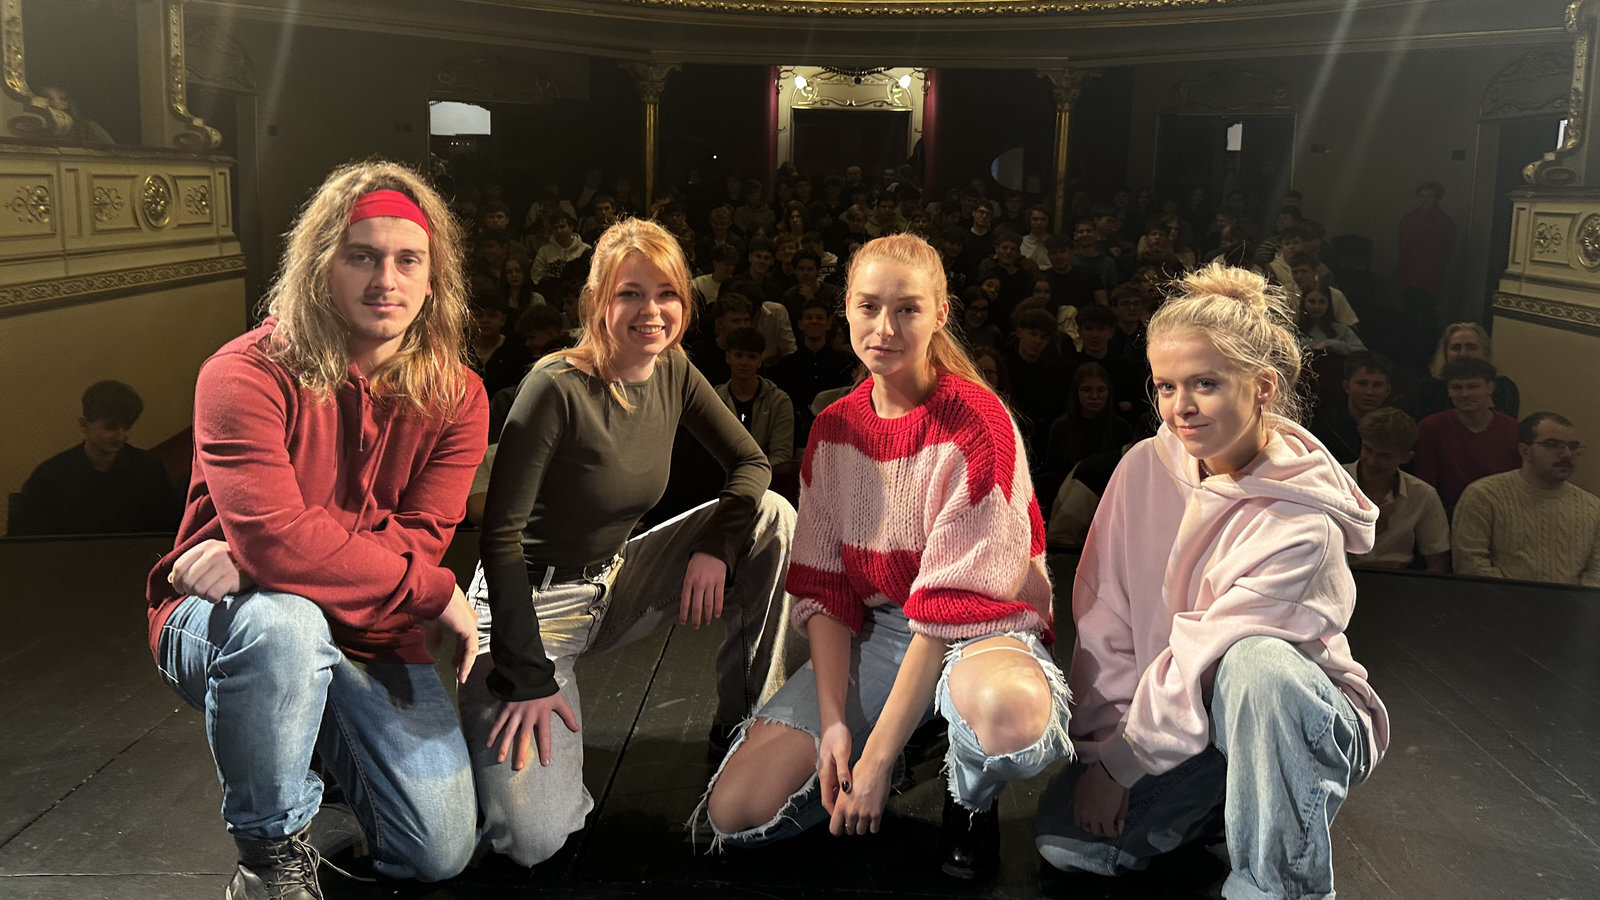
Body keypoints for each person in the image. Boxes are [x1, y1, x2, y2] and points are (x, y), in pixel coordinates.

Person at [145, 162, 487, 898]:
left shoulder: (458, 395)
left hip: (369, 631)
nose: (385, 280)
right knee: (286, 627)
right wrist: (431, 591)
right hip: (224, 621)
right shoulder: (243, 373)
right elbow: (286, 541)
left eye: (408, 260)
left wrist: (264, 557)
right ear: (320, 266)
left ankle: (316, 736)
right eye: (361, 256)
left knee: (439, 851)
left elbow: (413, 542)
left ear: (434, 278)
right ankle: (267, 863)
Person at [700, 233, 1070, 880]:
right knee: (738, 813)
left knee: (1005, 717)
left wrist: (870, 763)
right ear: (846, 308)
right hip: (887, 627)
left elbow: (949, 610)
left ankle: (970, 796)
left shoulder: (979, 424)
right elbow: (825, 589)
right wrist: (837, 726)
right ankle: (913, 737)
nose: (885, 328)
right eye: (869, 307)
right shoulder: (833, 429)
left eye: (908, 309)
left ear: (940, 314)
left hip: (982, 626)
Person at [1035, 263, 1387, 900]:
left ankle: (1277, 882)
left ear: (1262, 387)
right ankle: (1234, 808)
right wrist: (1107, 754)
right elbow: (1105, 618)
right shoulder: (1142, 467)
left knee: (1255, 662)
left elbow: (1205, 655)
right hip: (1181, 719)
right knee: (1069, 845)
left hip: (1294, 717)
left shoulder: (1304, 521)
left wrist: (1125, 767)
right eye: (1166, 386)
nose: (1182, 407)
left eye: (1206, 384)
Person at [464, 217, 799, 868]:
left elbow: (751, 463)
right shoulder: (554, 386)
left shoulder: (672, 367)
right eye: (631, 293)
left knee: (770, 517)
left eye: (667, 293)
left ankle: (745, 729)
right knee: (534, 840)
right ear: (596, 301)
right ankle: (473, 727)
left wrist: (717, 546)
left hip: (614, 580)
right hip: (529, 611)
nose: (653, 311)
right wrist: (526, 674)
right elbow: (499, 537)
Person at [10, 379, 179, 536]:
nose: (120, 436)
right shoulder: (51, 476)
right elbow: (27, 538)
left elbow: (168, 526)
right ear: (84, 425)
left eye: (127, 427)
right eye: (110, 427)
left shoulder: (149, 469)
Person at [1452, 412, 1600, 586]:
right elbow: (1470, 564)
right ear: (1525, 451)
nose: (1567, 454)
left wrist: (1576, 600)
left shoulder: (1592, 507)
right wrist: (1515, 598)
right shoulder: (1484, 495)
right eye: (1553, 445)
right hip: (1500, 599)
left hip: (1573, 601)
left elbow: (1597, 572)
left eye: (1573, 446)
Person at [1344, 408, 1450, 572]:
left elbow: (1437, 563)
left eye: (1384, 456)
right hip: (1339, 572)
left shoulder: (1423, 495)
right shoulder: (1332, 482)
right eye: (1368, 449)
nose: (1372, 461)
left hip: (1398, 578)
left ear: (1406, 457)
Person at [1413, 356, 1521, 512]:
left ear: (1490, 388)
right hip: (1446, 512)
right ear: (1448, 391)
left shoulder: (1513, 430)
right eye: (1456, 387)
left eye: (1473, 387)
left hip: (1500, 510)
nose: (1464, 394)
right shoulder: (1430, 428)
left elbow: (1518, 482)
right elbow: (1425, 484)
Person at [715, 328, 796, 468]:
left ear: (760, 361)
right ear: (728, 357)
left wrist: (755, 475)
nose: (744, 362)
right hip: (721, 475)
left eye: (751, 357)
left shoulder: (779, 401)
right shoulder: (714, 399)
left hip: (768, 475)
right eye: (738, 355)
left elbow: (781, 454)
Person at [1409, 322, 1520, 421]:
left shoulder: (1504, 388)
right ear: (1445, 353)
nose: (1463, 354)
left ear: (1485, 352)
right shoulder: (1429, 388)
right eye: (1456, 348)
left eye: (1471, 347)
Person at [1310, 351, 1393, 464]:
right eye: (1362, 384)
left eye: (1377, 385)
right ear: (1346, 386)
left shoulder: (1396, 428)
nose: (1369, 392)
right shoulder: (1323, 424)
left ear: (1387, 390)